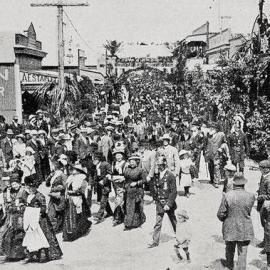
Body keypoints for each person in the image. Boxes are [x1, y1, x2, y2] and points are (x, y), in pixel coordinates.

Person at [217, 173, 255, 270]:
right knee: (243, 253)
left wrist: (225, 219)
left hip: (230, 227)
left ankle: (230, 266)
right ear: (244, 184)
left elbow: (221, 213)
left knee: (229, 250)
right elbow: (248, 211)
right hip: (245, 227)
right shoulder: (251, 196)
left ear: (233, 184)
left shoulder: (227, 196)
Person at [23, 174, 62, 263]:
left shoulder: (40, 196)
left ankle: (45, 255)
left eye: (32, 188)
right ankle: (34, 255)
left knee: (43, 236)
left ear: (35, 187)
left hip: (40, 219)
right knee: (33, 237)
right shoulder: (29, 196)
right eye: (29, 188)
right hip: (32, 219)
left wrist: (35, 211)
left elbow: (44, 208)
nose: (30, 190)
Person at [148, 156, 177, 248]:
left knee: (173, 221)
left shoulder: (170, 175)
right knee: (158, 223)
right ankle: (155, 241)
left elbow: (174, 191)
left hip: (168, 202)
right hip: (160, 202)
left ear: (165, 164)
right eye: (158, 165)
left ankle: (181, 237)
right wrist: (155, 198)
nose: (159, 167)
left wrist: (169, 204)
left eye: (161, 165)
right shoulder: (157, 175)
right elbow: (154, 188)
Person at [63, 164, 91, 241]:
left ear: (78, 171)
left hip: (77, 198)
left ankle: (78, 232)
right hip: (70, 199)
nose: (72, 170)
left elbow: (83, 190)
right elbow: (66, 187)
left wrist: (76, 192)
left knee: (78, 215)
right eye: (72, 169)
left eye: (74, 169)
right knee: (69, 216)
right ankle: (70, 234)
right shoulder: (70, 177)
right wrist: (67, 193)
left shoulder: (82, 178)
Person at [0, 177, 25, 261]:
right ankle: (12, 254)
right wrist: (10, 206)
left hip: (22, 215)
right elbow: (8, 202)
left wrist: (20, 206)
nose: (14, 186)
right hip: (12, 215)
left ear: (19, 183)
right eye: (13, 184)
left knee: (20, 233)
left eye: (15, 184)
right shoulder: (9, 191)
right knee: (10, 233)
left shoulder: (23, 190)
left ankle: (21, 254)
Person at [123, 154, 146, 230]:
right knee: (128, 207)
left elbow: (144, 180)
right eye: (130, 161)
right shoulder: (127, 169)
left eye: (133, 162)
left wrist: (136, 183)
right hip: (128, 190)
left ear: (137, 162)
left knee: (136, 207)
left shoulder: (140, 170)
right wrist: (124, 187)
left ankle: (136, 223)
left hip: (137, 190)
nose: (131, 163)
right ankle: (128, 223)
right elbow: (126, 179)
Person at [46, 160, 67, 233]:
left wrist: (55, 188)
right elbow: (47, 184)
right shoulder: (53, 174)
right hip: (52, 196)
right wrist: (50, 176)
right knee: (51, 213)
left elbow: (65, 187)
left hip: (59, 196)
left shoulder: (62, 175)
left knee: (59, 213)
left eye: (54, 165)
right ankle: (53, 229)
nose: (52, 167)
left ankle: (58, 228)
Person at [93, 152, 113, 224]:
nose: (94, 161)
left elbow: (110, 173)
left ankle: (99, 215)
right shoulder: (96, 166)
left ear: (99, 159)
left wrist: (104, 181)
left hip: (105, 185)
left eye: (95, 159)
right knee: (104, 199)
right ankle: (110, 212)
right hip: (99, 185)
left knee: (103, 200)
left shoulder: (106, 164)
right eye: (93, 159)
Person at [204, 123, 226, 188]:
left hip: (217, 153)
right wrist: (205, 152)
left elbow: (224, 143)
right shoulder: (207, 135)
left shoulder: (221, 135)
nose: (211, 129)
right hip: (209, 154)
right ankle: (212, 179)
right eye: (210, 128)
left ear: (216, 129)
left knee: (216, 167)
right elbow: (205, 144)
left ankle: (216, 182)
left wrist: (221, 147)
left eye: (212, 128)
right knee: (210, 167)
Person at [111, 146, 127, 226]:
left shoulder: (125, 163)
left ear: (122, 155)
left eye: (119, 155)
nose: (118, 157)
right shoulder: (114, 163)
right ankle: (120, 216)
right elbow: (112, 173)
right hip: (115, 183)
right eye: (116, 155)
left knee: (120, 199)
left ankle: (118, 217)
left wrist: (122, 178)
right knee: (118, 198)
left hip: (122, 183)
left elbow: (127, 174)